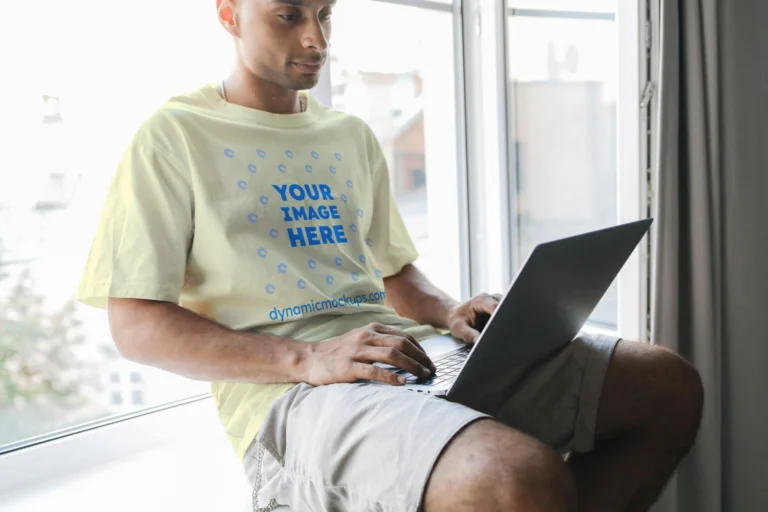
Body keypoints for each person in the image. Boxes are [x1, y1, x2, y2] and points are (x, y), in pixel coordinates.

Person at [76, 0, 704, 510]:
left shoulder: (346, 134)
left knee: (666, 386)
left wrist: (449, 311)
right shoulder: (174, 136)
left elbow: (394, 273)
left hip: (407, 356)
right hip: (291, 397)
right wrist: (310, 356)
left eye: (326, 13)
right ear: (229, 13)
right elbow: (136, 325)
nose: (316, 38)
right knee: (518, 478)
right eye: (289, 15)